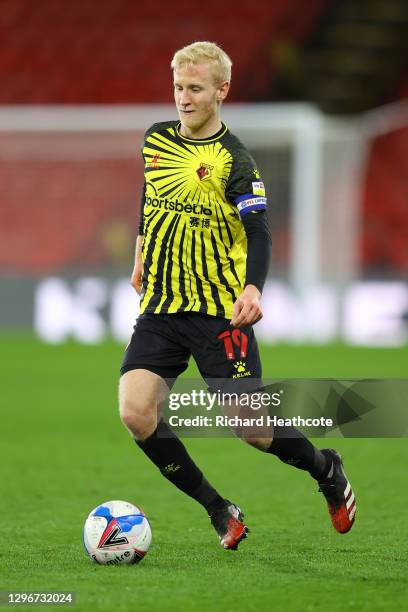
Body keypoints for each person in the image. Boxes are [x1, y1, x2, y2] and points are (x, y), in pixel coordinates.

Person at [119, 41, 356, 550]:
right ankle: (219, 509)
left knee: (252, 430)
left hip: (219, 314)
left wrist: (254, 286)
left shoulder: (236, 161)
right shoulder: (156, 140)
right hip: (161, 307)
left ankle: (325, 469)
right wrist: (140, 249)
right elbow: (149, 193)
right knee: (136, 413)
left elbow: (260, 231)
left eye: (196, 89)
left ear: (222, 91)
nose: (184, 98)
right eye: (179, 87)